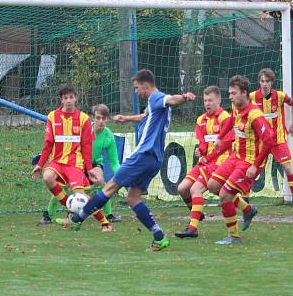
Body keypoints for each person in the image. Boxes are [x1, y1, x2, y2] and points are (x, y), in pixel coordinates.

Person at [60, 69, 195, 252]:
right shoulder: (153, 104)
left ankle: (77, 219)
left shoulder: (157, 97)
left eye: (137, 88)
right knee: (133, 198)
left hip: (143, 155)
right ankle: (159, 237)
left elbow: (172, 99)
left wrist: (185, 97)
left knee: (110, 187)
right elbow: (145, 117)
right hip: (155, 159)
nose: (136, 91)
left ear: (146, 85)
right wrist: (126, 119)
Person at [31, 84, 113, 231]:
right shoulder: (52, 116)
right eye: (65, 98)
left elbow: (87, 147)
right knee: (47, 177)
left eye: (71, 97)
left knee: (81, 197)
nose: (68, 100)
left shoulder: (83, 119)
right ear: (61, 100)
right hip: (57, 162)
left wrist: (89, 169)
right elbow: (48, 143)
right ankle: (71, 210)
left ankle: (104, 222)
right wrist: (40, 164)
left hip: (75, 163)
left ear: (76, 98)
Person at [205, 75, 275, 244]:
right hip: (235, 157)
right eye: (229, 93)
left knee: (224, 196)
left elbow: (269, 140)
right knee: (212, 185)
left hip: (249, 162)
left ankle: (234, 236)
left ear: (244, 93)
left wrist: (256, 166)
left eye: (233, 93)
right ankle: (247, 209)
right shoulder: (236, 108)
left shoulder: (255, 115)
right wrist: (220, 137)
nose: (230, 96)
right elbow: (230, 121)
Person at [38, 104, 123, 224]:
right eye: (98, 118)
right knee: (62, 185)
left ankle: (108, 215)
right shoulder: (85, 127)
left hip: (94, 164)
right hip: (77, 161)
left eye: (104, 118)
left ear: (108, 119)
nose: (101, 121)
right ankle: (48, 215)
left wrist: (123, 176)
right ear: (93, 118)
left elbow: (114, 162)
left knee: (100, 181)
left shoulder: (109, 136)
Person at [174, 86, 234, 239]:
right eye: (205, 100)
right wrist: (200, 151)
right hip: (205, 162)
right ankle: (198, 213)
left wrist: (207, 156)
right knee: (182, 189)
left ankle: (192, 228)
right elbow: (202, 142)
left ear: (219, 100)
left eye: (211, 100)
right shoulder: (201, 120)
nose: (207, 103)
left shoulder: (225, 118)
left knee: (195, 190)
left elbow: (225, 144)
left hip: (219, 163)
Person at [250, 68, 293, 208]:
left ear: (272, 82)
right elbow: (239, 107)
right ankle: (244, 199)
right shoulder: (252, 97)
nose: (264, 84)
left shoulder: (279, 96)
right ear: (259, 82)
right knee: (253, 169)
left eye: (267, 81)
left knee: (287, 167)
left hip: (278, 139)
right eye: (262, 81)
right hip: (261, 141)